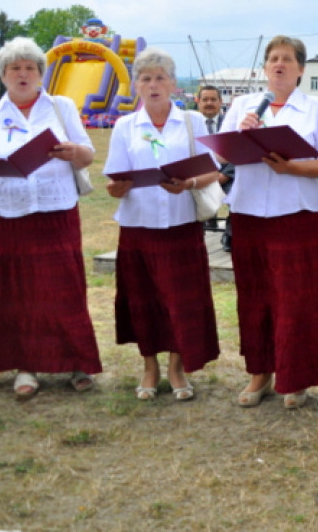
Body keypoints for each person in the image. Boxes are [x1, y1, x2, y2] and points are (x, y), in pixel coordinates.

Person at [0, 37, 101, 400]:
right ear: (3, 75)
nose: (22, 74)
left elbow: (88, 156)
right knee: (15, 294)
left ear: (41, 73)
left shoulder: (61, 106)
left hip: (56, 212)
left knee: (63, 288)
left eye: (30, 68)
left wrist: (74, 152)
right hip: (8, 215)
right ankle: (26, 366)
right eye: (14, 69)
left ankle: (75, 362)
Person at [217, 36, 318, 409]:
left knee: (296, 298)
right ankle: (260, 372)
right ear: (265, 68)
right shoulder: (242, 105)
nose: (279, 65)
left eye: (287, 59)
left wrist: (293, 167)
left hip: (296, 213)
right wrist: (241, 134)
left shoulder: (316, 107)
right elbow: (220, 154)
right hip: (250, 212)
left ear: (300, 69)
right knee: (255, 297)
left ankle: (296, 376)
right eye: (273, 59)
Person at [104, 49, 222, 401]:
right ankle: (149, 366)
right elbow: (113, 182)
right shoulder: (125, 126)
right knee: (143, 300)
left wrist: (187, 184)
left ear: (172, 84)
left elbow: (212, 171)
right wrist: (117, 187)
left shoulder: (191, 122)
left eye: (159, 78)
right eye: (145, 78)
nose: (153, 85)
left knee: (181, 300)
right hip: (138, 226)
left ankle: (176, 366)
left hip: (181, 224)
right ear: (136, 86)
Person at [196, 85, 234, 250]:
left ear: (221, 102)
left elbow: (238, 153)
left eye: (213, 99)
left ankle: (230, 235)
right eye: (205, 100)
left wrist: (225, 175)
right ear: (198, 102)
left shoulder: (231, 124)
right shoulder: (190, 125)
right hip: (198, 178)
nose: (209, 103)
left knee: (239, 195)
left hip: (226, 177)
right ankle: (195, 236)